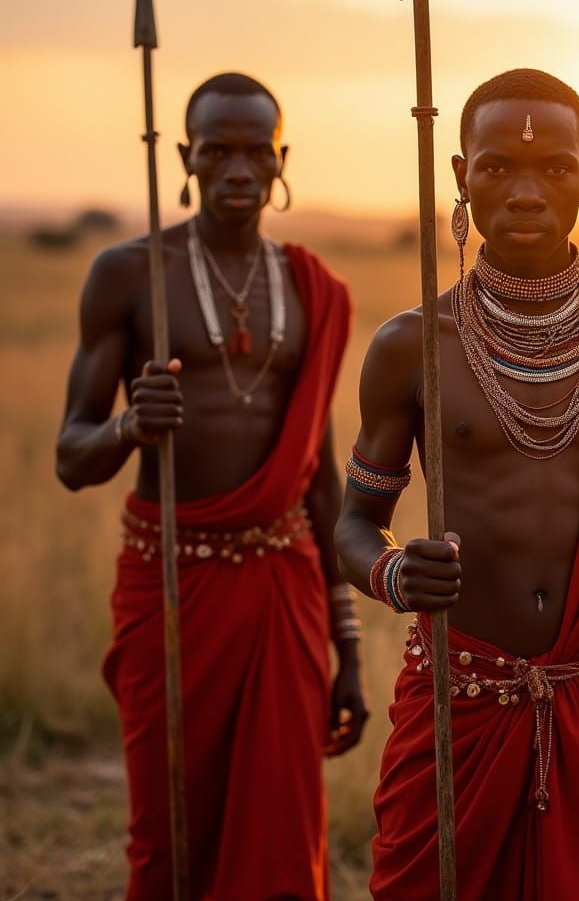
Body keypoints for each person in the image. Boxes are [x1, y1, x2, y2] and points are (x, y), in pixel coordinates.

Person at [336, 68, 579, 901]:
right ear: (459, 178)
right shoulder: (413, 347)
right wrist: (397, 572)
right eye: (497, 167)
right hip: (457, 708)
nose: (523, 192)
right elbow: (353, 525)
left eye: (553, 169)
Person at [56, 72, 368, 900]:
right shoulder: (128, 276)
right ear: (186, 157)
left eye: (255, 152)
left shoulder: (312, 291)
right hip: (170, 587)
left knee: (279, 838)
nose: (237, 169)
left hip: (284, 589)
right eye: (217, 150)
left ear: (281, 160)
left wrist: (349, 647)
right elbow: (68, 456)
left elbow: (321, 484)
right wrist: (127, 427)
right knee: (170, 834)